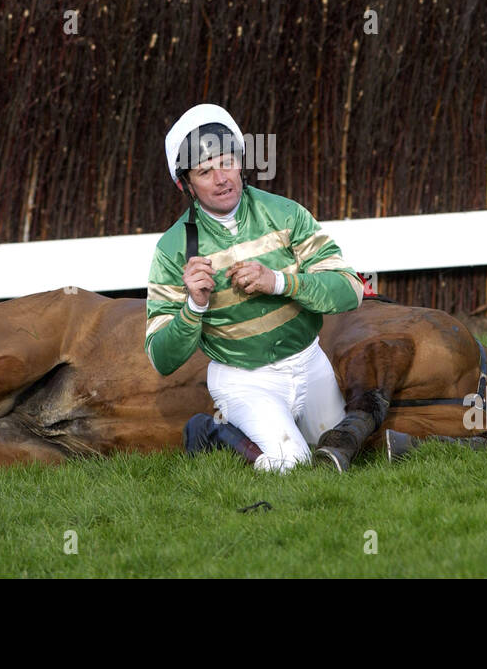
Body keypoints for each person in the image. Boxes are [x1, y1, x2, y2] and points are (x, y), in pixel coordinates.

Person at [145, 104, 364, 473]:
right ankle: (212, 432)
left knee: (343, 453)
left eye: (227, 162)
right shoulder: (172, 249)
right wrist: (193, 307)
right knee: (292, 463)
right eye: (205, 171)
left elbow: (350, 290)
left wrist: (279, 281)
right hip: (245, 379)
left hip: (309, 363)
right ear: (185, 184)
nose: (221, 178)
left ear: (242, 162)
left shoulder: (286, 214)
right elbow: (161, 359)